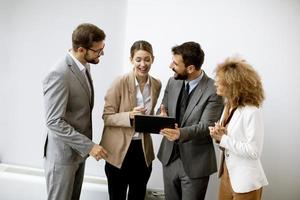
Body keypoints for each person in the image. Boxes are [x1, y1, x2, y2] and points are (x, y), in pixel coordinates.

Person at [42, 23, 108, 200]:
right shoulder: (59, 73)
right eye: (98, 50)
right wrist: (89, 146)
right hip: (62, 157)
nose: (101, 53)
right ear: (81, 49)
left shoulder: (84, 65)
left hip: (77, 154)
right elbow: (54, 121)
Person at [157, 41, 224, 200]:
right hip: (169, 158)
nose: (170, 65)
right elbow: (162, 108)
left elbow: (206, 127)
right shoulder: (172, 81)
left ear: (190, 68)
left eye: (175, 63)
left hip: (196, 164)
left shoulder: (215, 90)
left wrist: (179, 133)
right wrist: (160, 116)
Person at [100, 40, 161, 200]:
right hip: (119, 152)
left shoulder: (156, 84)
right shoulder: (119, 82)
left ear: (153, 59)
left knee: (138, 196)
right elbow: (107, 117)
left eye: (147, 59)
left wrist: (159, 120)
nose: (143, 64)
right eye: (138, 59)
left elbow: (149, 116)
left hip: (142, 151)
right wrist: (129, 115)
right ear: (131, 60)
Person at [209, 56, 268, 200]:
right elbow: (229, 142)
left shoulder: (252, 111)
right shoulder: (228, 106)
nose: (215, 83)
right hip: (226, 175)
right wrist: (219, 137)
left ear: (233, 84)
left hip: (245, 181)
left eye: (220, 80)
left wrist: (223, 139)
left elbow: (254, 151)